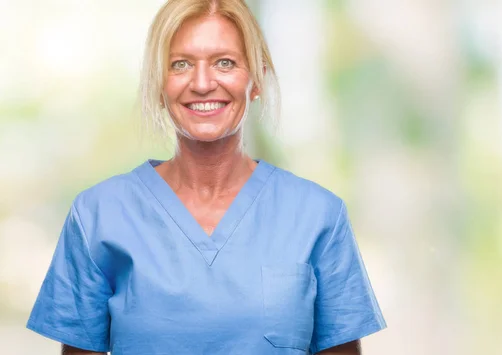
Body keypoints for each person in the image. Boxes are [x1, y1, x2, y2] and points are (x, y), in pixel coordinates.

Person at [26, 0, 386, 354]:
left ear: (256, 79)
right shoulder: (98, 215)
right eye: (180, 64)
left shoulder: (318, 215)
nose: (202, 83)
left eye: (225, 63)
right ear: (159, 83)